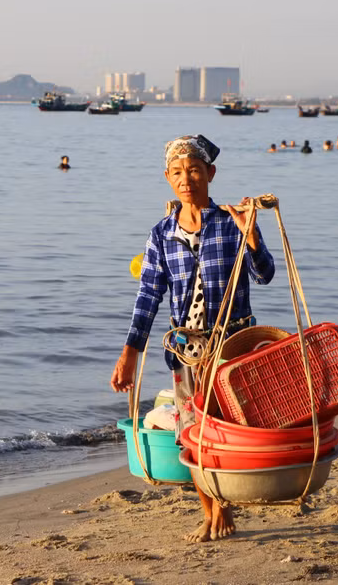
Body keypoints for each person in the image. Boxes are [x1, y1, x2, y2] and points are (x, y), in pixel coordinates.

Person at [110, 134, 276, 542]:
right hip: (187, 351)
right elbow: (148, 296)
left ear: (210, 174)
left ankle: (225, 504)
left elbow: (265, 273)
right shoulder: (161, 235)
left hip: (234, 346)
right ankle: (210, 510)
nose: (187, 179)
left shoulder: (231, 221)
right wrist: (129, 353)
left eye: (195, 171)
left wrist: (251, 236)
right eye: (179, 173)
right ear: (168, 178)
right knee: (192, 432)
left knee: (227, 429)